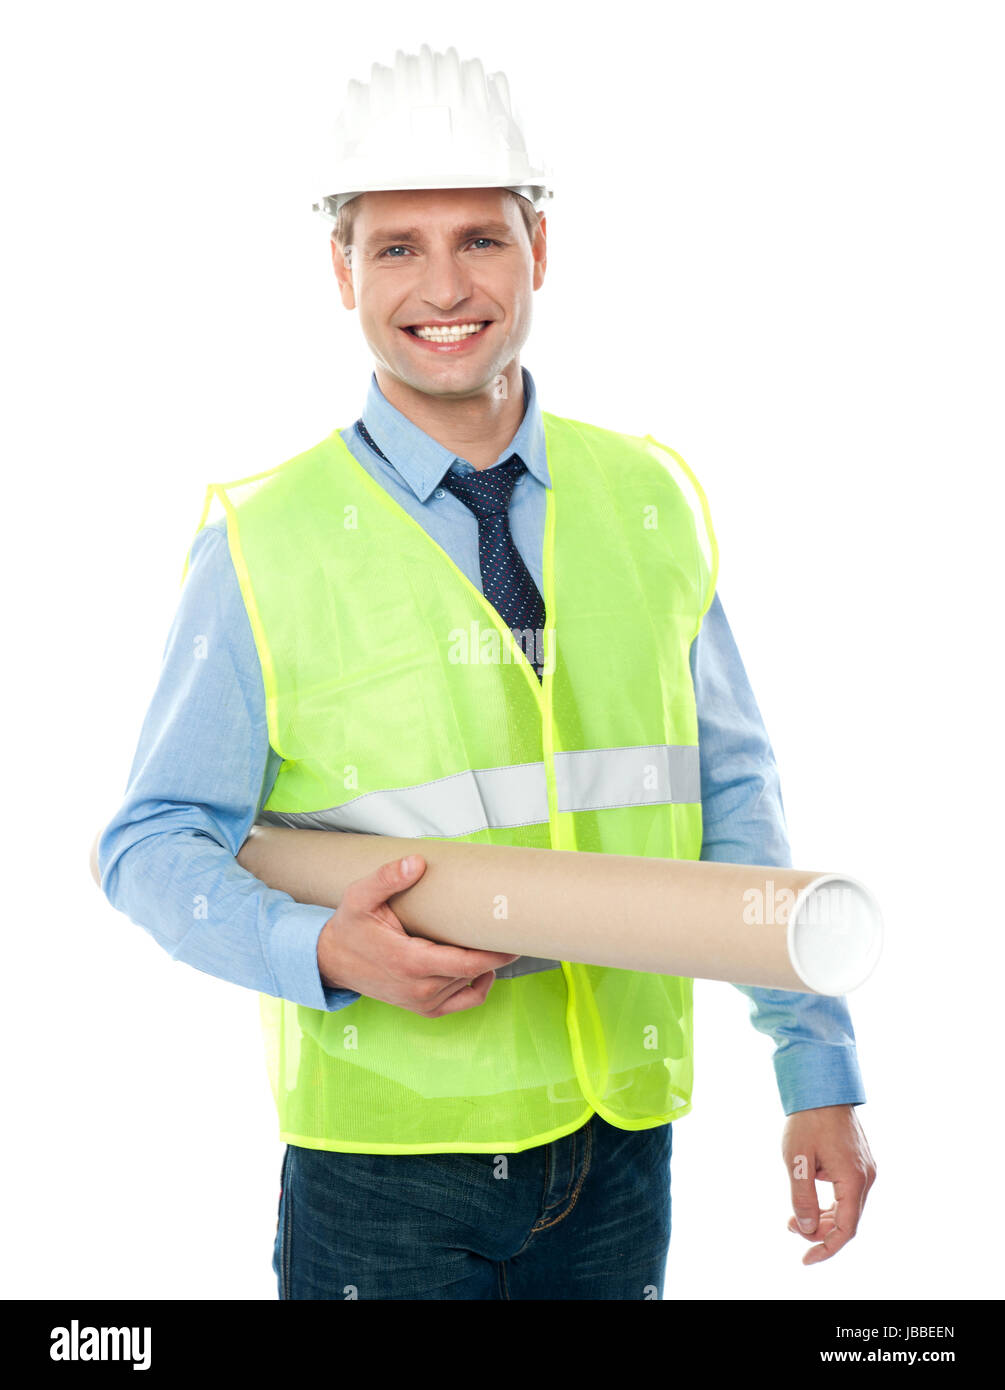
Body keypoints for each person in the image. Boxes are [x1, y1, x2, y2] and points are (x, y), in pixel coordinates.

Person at [93, 44, 875, 1300]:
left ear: (540, 251)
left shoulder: (645, 501)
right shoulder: (266, 542)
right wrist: (323, 952)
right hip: (390, 1167)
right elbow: (149, 842)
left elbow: (732, 796)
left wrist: (816, 1065)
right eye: (396, 246)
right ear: (339, 268)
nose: (444, 285)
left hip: (620, 1148)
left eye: (481, 238)